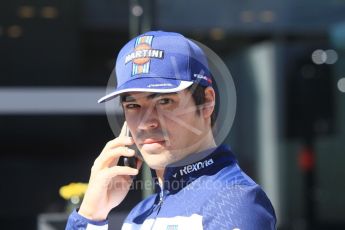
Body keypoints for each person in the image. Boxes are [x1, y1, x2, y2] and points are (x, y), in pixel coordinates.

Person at [66, 31, 276, 230]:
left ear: (207, 102)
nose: (146, 122)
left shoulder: (234, 201)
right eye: (133, 105)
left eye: (164, 101)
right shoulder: (140, 213)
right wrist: (91, 214)